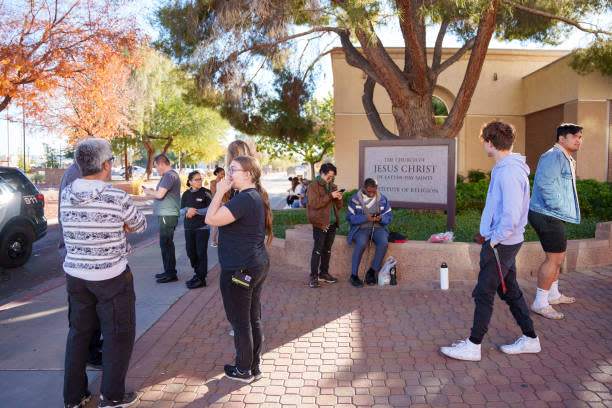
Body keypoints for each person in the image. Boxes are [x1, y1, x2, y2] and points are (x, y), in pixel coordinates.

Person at [440, 121, 540, 361]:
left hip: (501, 245)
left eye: (485, 141)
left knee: (483, 292)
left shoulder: (509, 172)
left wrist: (493, 240)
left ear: (491, 143)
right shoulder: (504, 168)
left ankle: (474, 346)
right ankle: (531, 339)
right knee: (510, 291)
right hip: (502, 243)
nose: (484, 145)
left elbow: (511, 215)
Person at [60, 138, 146, 408]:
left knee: (79, 335)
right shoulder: (116, 196)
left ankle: (73, 398)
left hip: (76, 275)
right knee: (117, 336)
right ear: (106, 164)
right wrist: (119, 226)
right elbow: (140, 225)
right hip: (112, 277)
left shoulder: (66, 193)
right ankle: (111, 397)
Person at [205, 155, 273, 383]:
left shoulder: (246, 198)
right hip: (254, 264)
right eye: (228, 169)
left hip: (240, 268)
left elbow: (211, 219)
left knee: (241, 321)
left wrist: (217, 191)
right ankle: (253, 366)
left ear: (249, 174)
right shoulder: (250, 197)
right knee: (252, 318)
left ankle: (244, 369)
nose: (229, 174)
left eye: (233, 169)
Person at [528, 123, 583, 319]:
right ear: (562, 139)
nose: (579, 140)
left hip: (552, 214)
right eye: (575, 136)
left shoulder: (566, 158)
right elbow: (545, 186)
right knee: (554, 259)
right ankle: (540, 303)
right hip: (547, 214)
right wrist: (560, 207)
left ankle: (553, 295)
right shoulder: (553, 156)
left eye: (580, 137)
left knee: (558, 258)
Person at [58, 160, 104, 370]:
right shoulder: (75, 176)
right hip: (80, 258)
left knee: (90, 312)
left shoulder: (80, 174)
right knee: (83, 317)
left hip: (80, 257)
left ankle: (91, 347)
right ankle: (88, 353)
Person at [346, 178, 392, 287]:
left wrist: (381, 218)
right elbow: (350, 218)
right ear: (363, 188)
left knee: (383, 243)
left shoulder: (383, 199)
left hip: (378, 227)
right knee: (361, 243)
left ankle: (372, 272)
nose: (371, 194)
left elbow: (389, 217)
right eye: (369, 191)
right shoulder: (355, 199)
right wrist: (365, 217)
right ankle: (354, 275)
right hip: (360, 228)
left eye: (374, 191)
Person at [143, 155, 181, 283]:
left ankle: (171, 273)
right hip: (166, 214)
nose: (156, 169)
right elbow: (162, 193)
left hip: (167, 215)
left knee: (166, 243)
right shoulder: (169, 175)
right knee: (165, 243)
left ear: (161, 164)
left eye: (156, 166)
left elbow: (160, 195)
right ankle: (168, 270)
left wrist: (149, 192)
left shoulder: (169, 175)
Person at [306, 163, 343, 288]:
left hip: (332, 222)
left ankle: (324, 273)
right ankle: (313, 276)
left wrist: (338, 198)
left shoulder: (332, 186)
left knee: (327, 250)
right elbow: (314, 203)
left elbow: (339, 207)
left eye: (332, 177)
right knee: (318, 250)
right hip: (320, 223)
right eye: (329, 176)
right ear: (322, 173)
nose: (330, 179)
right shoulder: (313, 186)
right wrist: (330, 196)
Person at [180, 171, 212, 289]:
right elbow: (180, 210)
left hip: (202, 228)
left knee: (201, 252)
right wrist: (188, 209)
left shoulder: (206, 192)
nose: (199, 181)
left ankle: (201, 278)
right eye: (196, 179)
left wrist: (196, 211)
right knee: (190, 252)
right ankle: (197, 273)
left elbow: (211, 208)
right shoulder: (186, 194)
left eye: (200, 179)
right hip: (188, 227)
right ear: (190, 182)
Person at [209, 167, 229, 247]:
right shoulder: (213, 182)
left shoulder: (224, 182)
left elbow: (227, 194)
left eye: (224, 173)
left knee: (224, 223)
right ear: (217, 173)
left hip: (226, 203)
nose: (223, 175)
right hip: (218, 204)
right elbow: (214, 194)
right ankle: (213, 241)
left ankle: (223, 240)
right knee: (217, 223)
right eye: (221, 173)